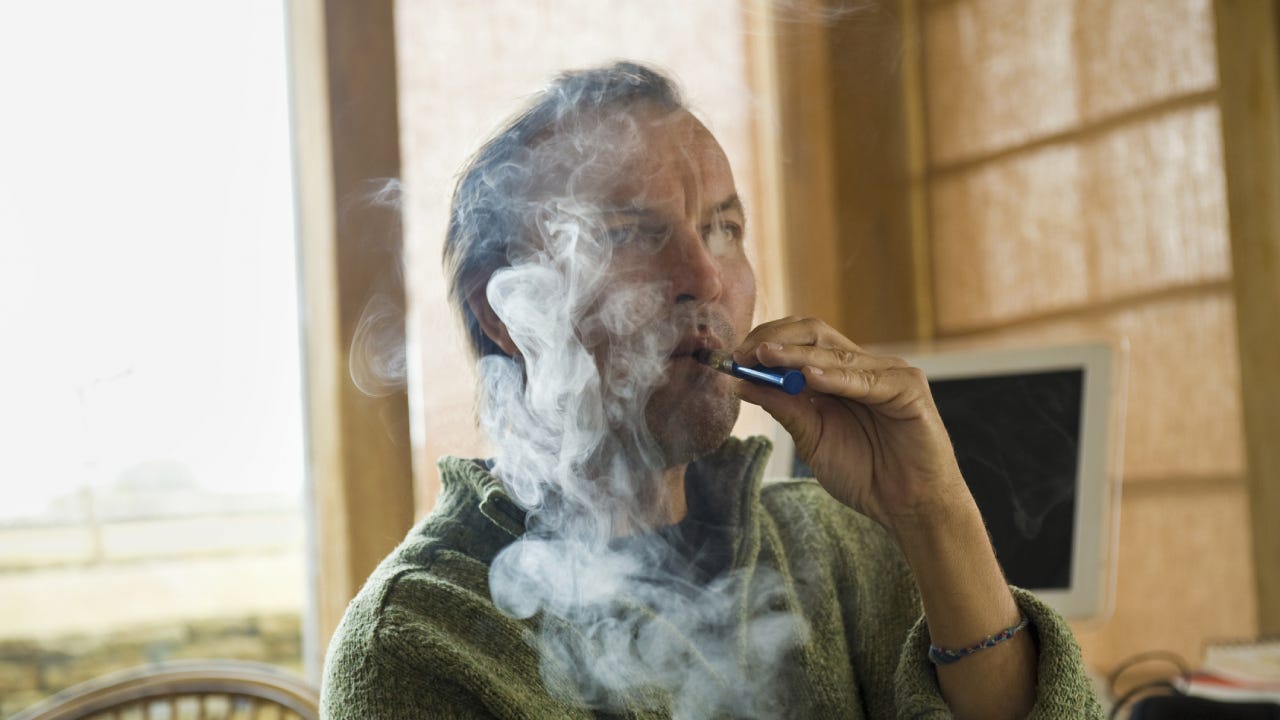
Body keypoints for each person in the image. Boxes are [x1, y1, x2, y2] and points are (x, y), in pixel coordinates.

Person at [321, 61, 1103, 719]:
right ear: (507, 313)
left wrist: (931, 509)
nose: (704, 278)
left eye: (724, 230)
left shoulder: (836, 546)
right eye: (630, 235)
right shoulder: (422, 637)